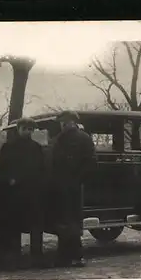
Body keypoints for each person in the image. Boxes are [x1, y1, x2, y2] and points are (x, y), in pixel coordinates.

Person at [0, 117, 46, 269]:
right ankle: (14, 257)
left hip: (32, 193)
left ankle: (36, 257)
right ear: (19, 129)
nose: (27, 132)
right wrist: (8, 180)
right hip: (14, 193)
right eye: (25, 129)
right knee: (13, 226)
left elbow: (42, 169)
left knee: (36, 226)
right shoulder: (8, 148)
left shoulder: (36, 148)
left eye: (30, 129)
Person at [51, 110, 96, 267]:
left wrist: (78, 179)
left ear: (73, 122)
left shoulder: (83, 138)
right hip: (61, 185)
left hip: (74, 185)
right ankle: (64, 256)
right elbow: (53, 161)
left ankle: (76, 256)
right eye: (62, 122)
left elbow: (90, 161)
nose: (64, 124)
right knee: (64, 221)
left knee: (73, 221)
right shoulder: (59, 139)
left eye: (66, 121)